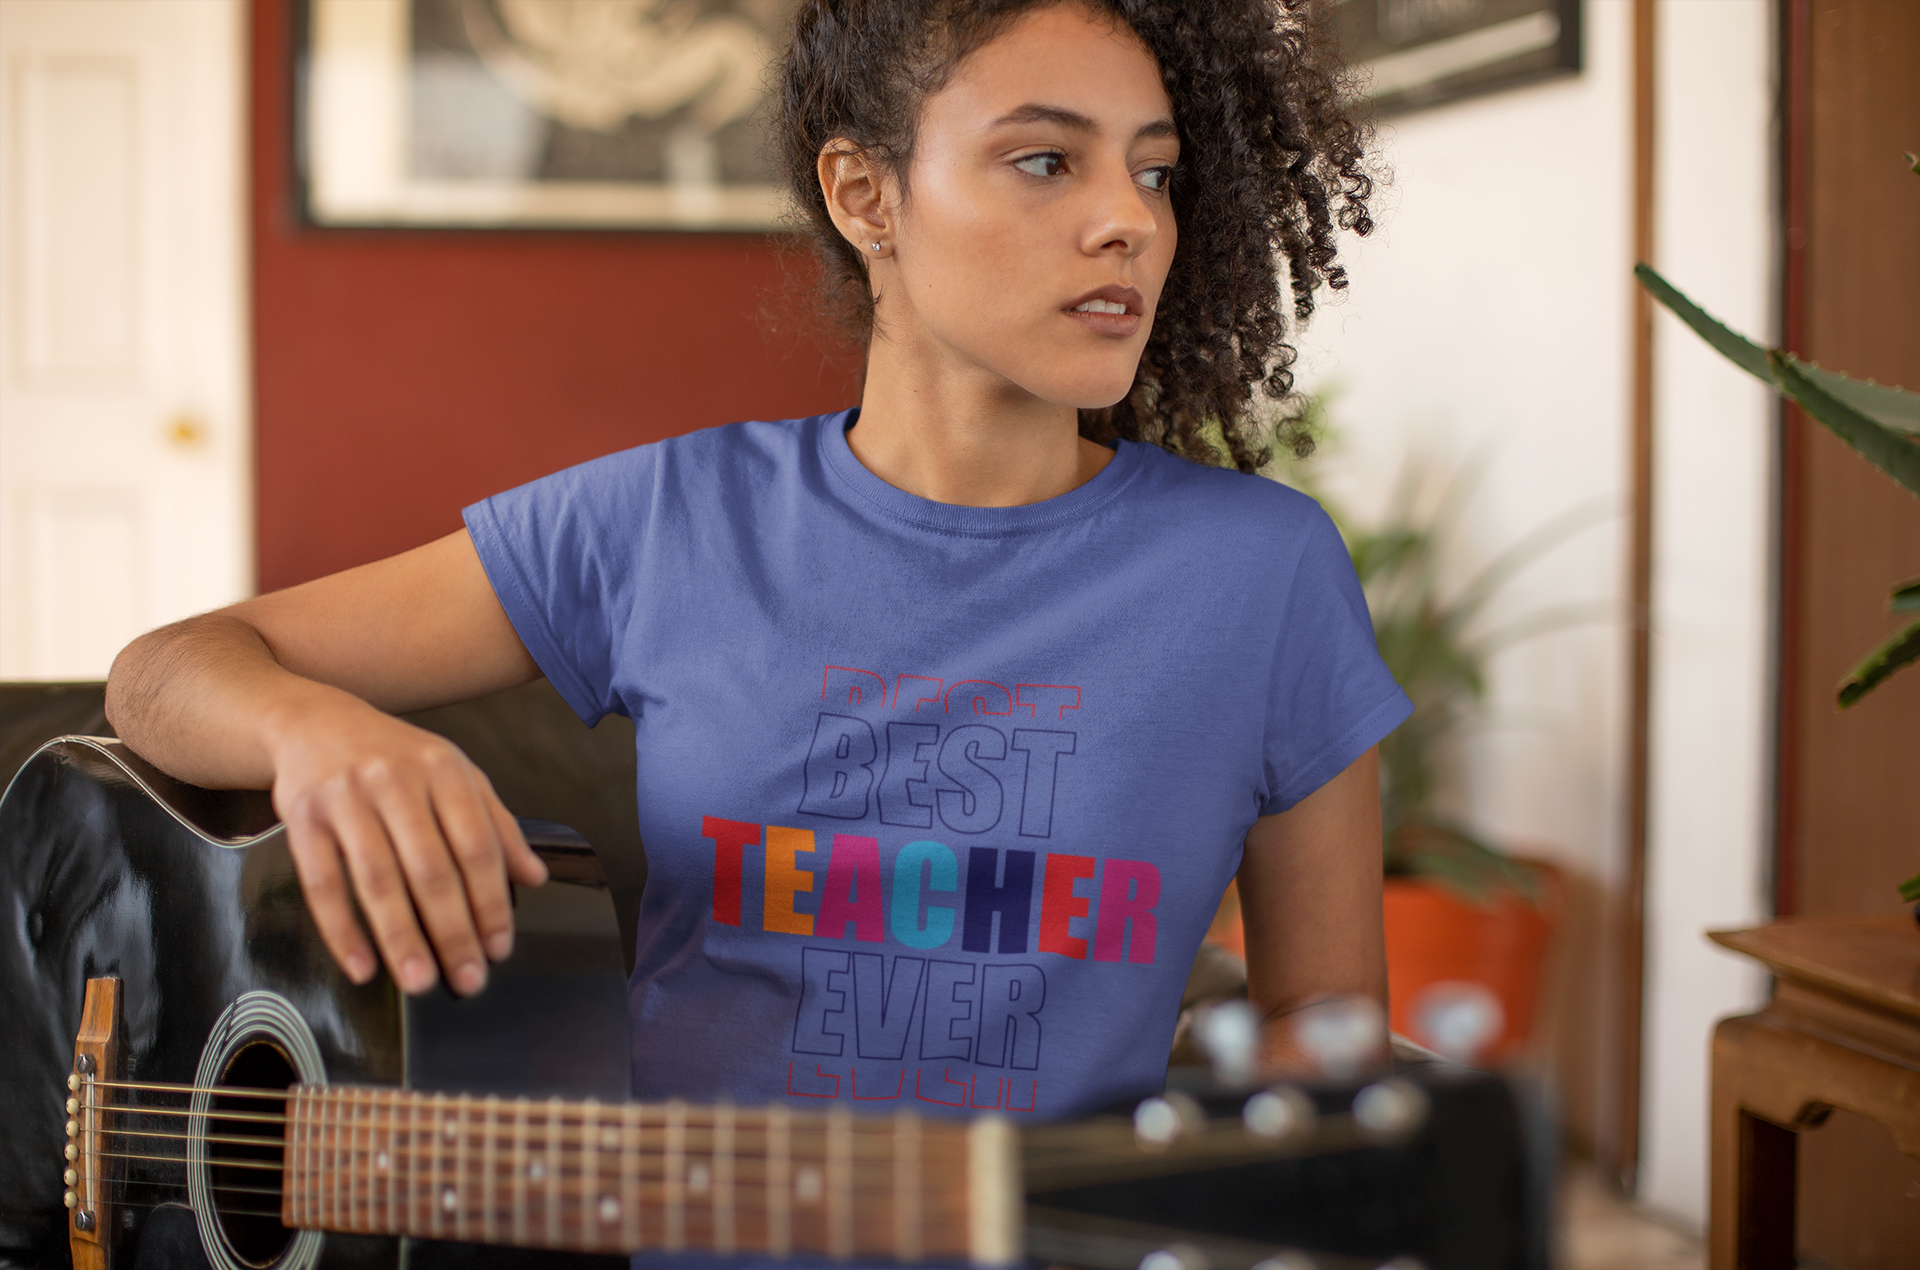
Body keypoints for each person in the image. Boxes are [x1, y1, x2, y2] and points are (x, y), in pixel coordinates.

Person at [106, 0, 1405, 1119]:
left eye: (1156, 172)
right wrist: (320, 736)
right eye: (1045, 161)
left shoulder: (1266, 576)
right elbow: (166, 672)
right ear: (864, 196)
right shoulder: (667, 521)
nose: (1128, 220)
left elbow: (1328, 1039)